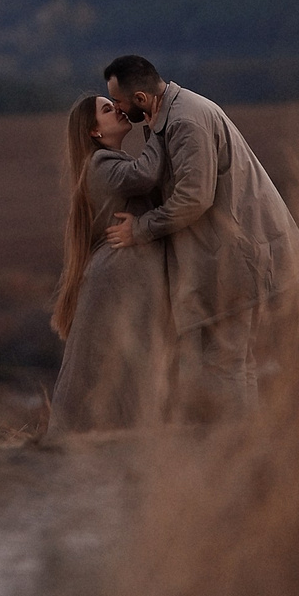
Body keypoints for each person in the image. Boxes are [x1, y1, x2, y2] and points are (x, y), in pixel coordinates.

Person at [101, 54, 299, 422]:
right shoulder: (171, 116)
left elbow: (192, 198)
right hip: (225, 255)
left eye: (119, 102)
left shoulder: (186, 122)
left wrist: (138, 229)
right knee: (230, 361)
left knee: (223, 364)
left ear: (140, 98)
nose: (118, 110)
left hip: (234, 255)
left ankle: (231, 451)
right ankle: (239, 446)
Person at [45, 92, 177, 435]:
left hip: (124, 275)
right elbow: (146, 174)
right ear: (94, 131)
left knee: (119, 363)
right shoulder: (101, 164)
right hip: (118, 278)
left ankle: (107, 435)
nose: (118, 110)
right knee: (114, 364)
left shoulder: (107, 161)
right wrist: (156, 126)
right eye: (108, 109)